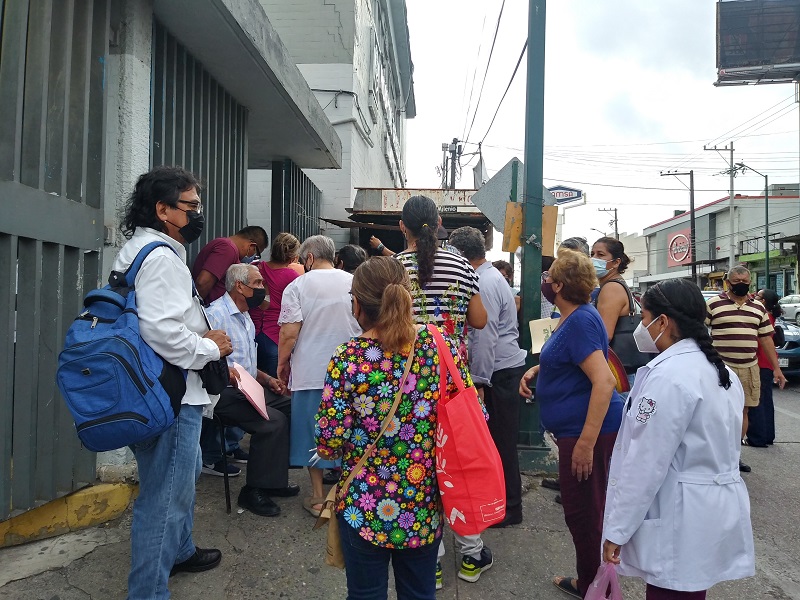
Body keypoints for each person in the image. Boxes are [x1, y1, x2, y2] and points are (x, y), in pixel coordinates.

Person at [314, 257, 470, 600]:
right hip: (424, 504)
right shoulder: (441, 347)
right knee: (419, 593)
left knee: (365, 593)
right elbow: (470, 415)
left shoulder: (348, 357)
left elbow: (329, 441)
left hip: (364, 508)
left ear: (357, 304)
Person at [116, 166, 232, 599]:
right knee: (164, 500)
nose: (197, 214)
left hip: (157, 390)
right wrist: (210, 349)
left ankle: (180, 550)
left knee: (171, 488)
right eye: (191, 206)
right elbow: (162, 332)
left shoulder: (143, 250)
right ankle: (147, 591)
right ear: (163, 209)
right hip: (172, 395)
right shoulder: (162, 258)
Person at [603, 279, 755, 600]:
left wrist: (617, 530)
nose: (640, 326)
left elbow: (646, 463)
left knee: (672, 591)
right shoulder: (717, 371)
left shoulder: (670, 378)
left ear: (663, 322)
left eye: (644, 317)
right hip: (705, 512)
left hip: (681, 516)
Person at [394, 196, 490, 586]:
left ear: (403, 227)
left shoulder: (396, 267)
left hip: (408, 385)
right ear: (438, 222)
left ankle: (429, 563)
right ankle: (471, 556)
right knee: (459, 466)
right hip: (454, 384)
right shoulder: (463, 265)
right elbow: (480, 321)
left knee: (419, 468)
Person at [518, 248, 622, 599]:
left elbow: (604, 381)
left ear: (559, 285)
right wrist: (539, 370)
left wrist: (585, 443)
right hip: (575, 429)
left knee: (584, 513)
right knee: (584, 510)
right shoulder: (576, 315)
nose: (544, 283)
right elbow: (572, 358)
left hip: (584, 432)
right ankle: (590, 579)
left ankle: (594, 586)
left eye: (548, 279)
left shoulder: (578, 320)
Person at [198, 263, 298, 516]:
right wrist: (228, 374)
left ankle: (273, 480)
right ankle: (253, 491)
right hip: (222, 392)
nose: (262, 289)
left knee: (291, 405)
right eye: (257, 284)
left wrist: (267, 380)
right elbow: (207, 361)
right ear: (239, 287)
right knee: (272, 422)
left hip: (248, 386)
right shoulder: (216, 315)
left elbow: (247, 364)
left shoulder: (245, 317)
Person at [277, 235, 361, 517]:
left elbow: (289, 332)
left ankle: (317, 498)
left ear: (309, 258)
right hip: (352, 370)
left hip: (311, 371)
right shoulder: (353, 281)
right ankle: (351, 492)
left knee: (313, 433)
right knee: (352, 430)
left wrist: (282, 363)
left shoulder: (297, 285)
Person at [449, 228, 527, 528]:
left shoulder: (484, 280)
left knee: (501, 443)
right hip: (498, 369)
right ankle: (502, 504)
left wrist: (479, 381)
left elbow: (485, 336)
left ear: (460, 253)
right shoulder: (487, 277)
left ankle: (510, 508)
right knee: (496, 441)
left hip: (499, 372)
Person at [706, 266, 786, 473]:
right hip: (722, 368)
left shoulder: (758, 308)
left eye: (745, 280)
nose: (741, 284)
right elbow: (699, 332)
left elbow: (766, 339)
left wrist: (777, 369)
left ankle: (734, 456)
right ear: (728, 282)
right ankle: (715, 455)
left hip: (750, 367)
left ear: (750, 282)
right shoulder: (713, 304)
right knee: (718, 413)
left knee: (743, 412)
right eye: (736, 280)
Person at [250, 232, 301, 377]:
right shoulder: (292, 277)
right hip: (275, 336)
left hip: (251, 332)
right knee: (276, 388)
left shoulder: (255, 267)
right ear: (293, 257)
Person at [192, 225, 269, 304]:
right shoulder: (228, 249)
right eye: (256, 253)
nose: (253, 257)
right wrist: (195, 307)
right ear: (252, 246)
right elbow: (203, 283)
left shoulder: (229, 249)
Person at [747, 289, 781, 447]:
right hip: (767, 363)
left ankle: (758, 437)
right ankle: (768, 435)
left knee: (757, 401)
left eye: (758, 296)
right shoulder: (770, 315)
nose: (754, 296)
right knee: (766, 400)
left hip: (760, 362)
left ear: (765, 301)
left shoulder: (763, 316)